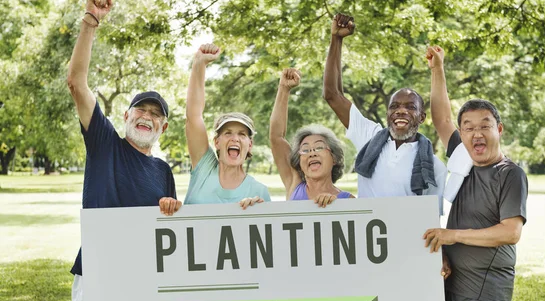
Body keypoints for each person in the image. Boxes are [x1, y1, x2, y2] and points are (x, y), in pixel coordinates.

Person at [64, 0, 176, 301]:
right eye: (140, 110)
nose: (146, 116)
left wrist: (171, 209)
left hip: (141, 277)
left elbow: (168, 226)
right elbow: (77, 82)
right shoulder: (105, 142)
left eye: (155, 114)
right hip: (96, 269)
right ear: (126, 116)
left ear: (163, 127)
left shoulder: (163, 171)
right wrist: (91, 23)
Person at [423, 46, 528, 301]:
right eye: (468, 128)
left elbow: (510, 231)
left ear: (499, 129)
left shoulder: (509, 174)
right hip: (451, 286)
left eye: (485, 126)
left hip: (485, 293)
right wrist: (438, 68)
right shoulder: (463, 160)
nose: (476, 134)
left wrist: (452, 235)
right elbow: (441, 118)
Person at [322, 13, 447, 215]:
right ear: (388, 112)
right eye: (395, 106)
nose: (401, 111)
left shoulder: (435, 167)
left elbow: (430, 221)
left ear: (422, 117)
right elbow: (332, 95)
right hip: (368, 241)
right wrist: (336, 39)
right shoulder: (370, 137)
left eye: (411, 107)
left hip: (405, 243)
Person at [158, 44, 270, 216]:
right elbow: (194, 116)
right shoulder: (205, 167)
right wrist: (199, 64)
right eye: (228, 133)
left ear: (250, 144)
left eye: (242, 134)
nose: (235, 139)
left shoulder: (259, 191)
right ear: (217, 142)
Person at [269, 68, 354, 207]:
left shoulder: (348, 200)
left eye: (319, 147)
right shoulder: (294, 183)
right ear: (300, 162)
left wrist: (335, 206)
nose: (312, 153)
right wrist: (284, 88)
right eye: (306, 150)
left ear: (334, 158)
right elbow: (276, 137)